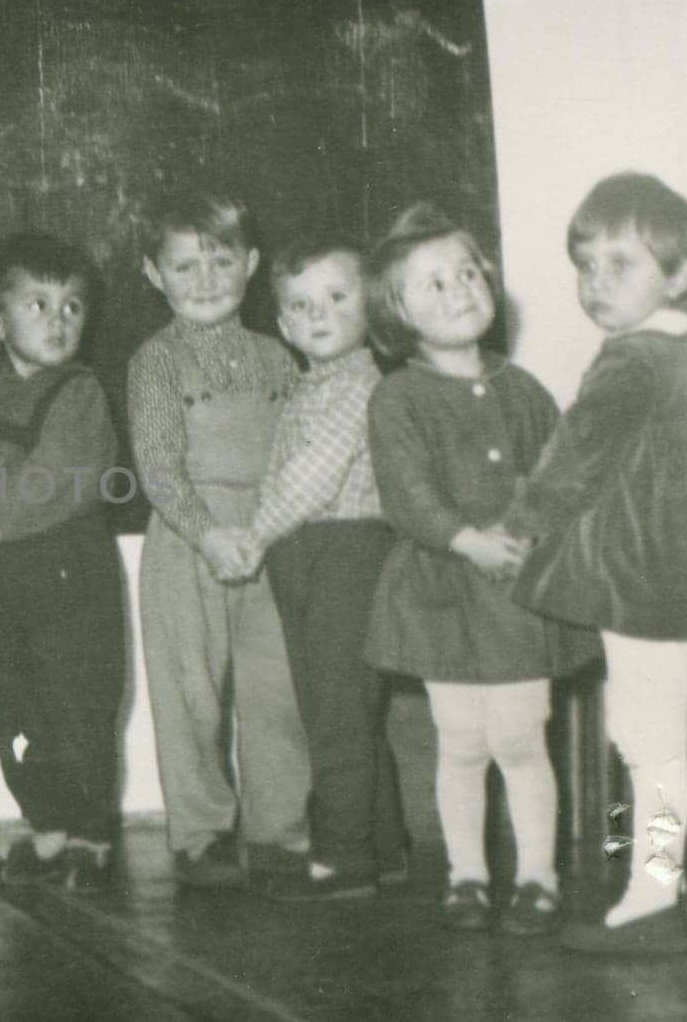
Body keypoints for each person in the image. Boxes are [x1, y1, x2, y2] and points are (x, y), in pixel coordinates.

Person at [504, 174, 687, 954]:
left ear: (680, 276)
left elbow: (574, 456)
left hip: (645, 587)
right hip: (668, 584)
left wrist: (522, 523)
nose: (595, 283)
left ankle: (654, 901)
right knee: (655, 742)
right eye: (585, 264)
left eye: (620, 264)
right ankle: (660, 891)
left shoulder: (637, 361)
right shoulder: (675, 356)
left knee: (652, 748)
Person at [363, 203, 592, 937]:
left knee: (523, 739)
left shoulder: (523, 388)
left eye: (468, 271)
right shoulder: (396, 396)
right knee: (461, 741)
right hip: (442, 595)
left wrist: (528, 536)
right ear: (396, 313)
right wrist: (466, 539)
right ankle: (467, 876)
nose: (459, 289)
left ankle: (538, 877)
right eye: (432, 283)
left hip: (521, 592)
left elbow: (562, 478)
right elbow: (407, 492)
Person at [214, 237, 408, 902]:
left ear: (372, 306)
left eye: (336, 296)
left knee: (336, 713)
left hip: (343, 551)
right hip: (309, 556)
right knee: (345, 705)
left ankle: (345, 859)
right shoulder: (310, 384)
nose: (319, 313)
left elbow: (311, 478)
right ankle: (383, 848)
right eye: (301, 304)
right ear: (284, 324)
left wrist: (254, 536)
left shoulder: (361, 383)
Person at [126, 190, 309, 890]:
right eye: (183, 266)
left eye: (220, 262)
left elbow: (300, 453)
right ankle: (200, 835)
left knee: (277, 690)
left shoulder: (279, 355)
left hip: (271, 537)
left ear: (253, 265)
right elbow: (159, 467)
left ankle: (279, 830)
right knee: (190, 695)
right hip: (187, 541)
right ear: (153, 274)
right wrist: (208, 535)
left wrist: (265, 530)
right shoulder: (156, 362)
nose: (204, 281)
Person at [0, 233, 126, 892]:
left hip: (66, 574)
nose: (59, 320)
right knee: (16, 707)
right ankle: (47, 826)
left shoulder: (78, 393)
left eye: (73, 306)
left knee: (75, 701)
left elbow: (59, 474)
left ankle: (90, 832)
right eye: (39, 304)